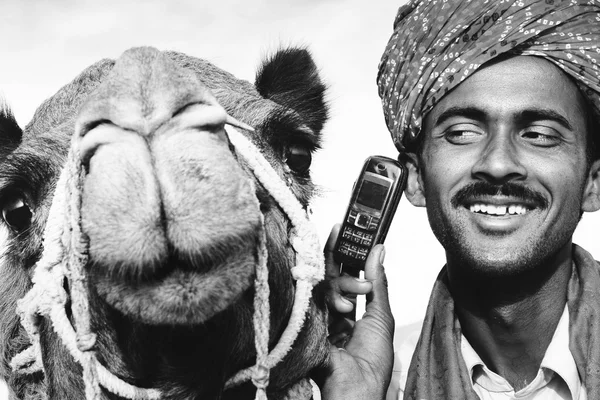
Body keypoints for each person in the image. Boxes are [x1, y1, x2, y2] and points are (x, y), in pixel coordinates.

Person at [318, 1, 600, 399]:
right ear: (415, 179)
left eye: (538, 134)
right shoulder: (385, 377)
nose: (499, 163)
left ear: (593, 183)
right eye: (463, 133)